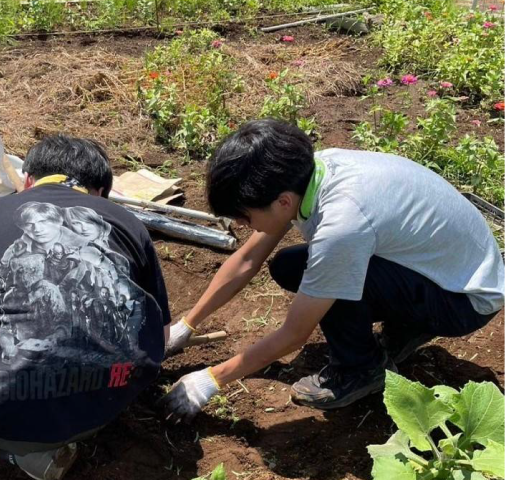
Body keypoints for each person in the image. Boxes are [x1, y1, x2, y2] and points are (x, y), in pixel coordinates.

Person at [163, 118, 505, 419]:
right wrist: (187, 324)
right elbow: (248, 259)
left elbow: (294, 333)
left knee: (322, 268)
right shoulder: (312, 171)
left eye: (246, 216)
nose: (243, 224)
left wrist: (212, 379)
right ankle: (406, 323)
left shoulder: (342, 224)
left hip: (464, 301)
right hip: (446, 271)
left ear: (282, 202)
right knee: (290, 265)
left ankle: (362, 370)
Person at [0, 134, 170, 480]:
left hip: (18, 412)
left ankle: (29, 454)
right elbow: (159, 334)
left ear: (28, 180)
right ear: (99, 191)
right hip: (112, 402)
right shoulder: (129, 224)